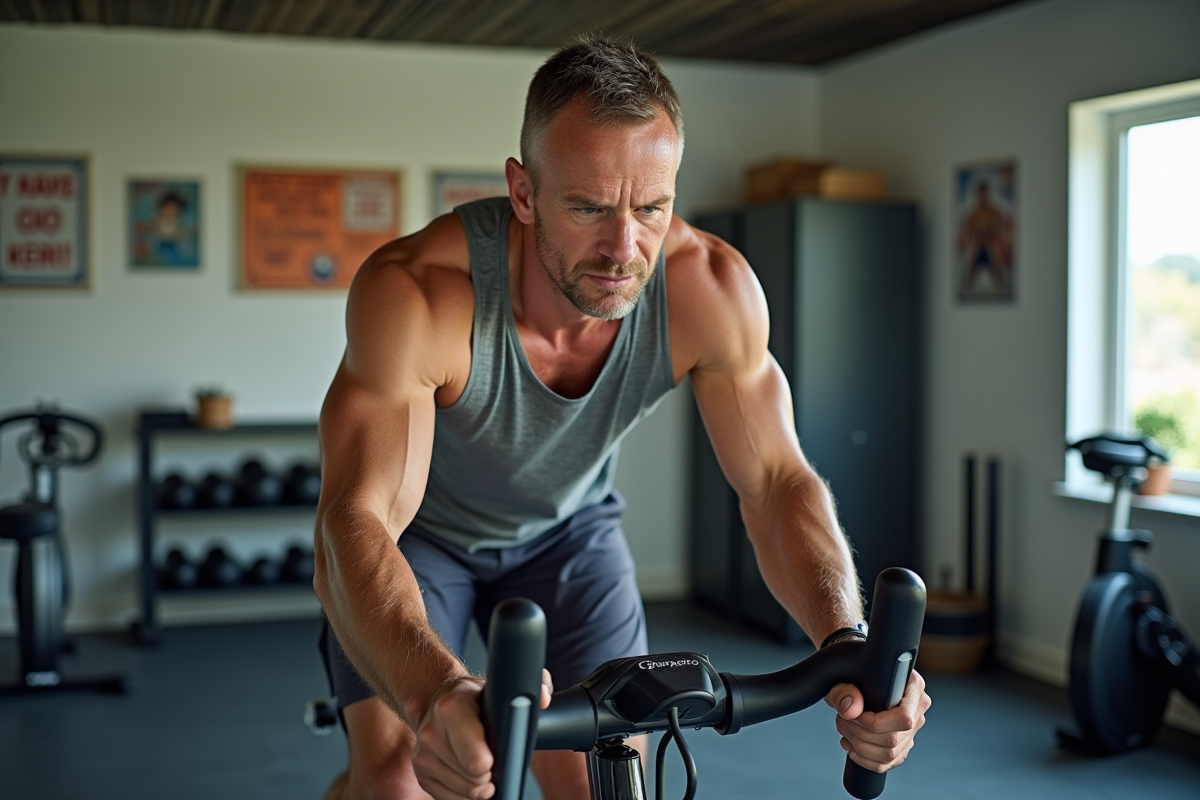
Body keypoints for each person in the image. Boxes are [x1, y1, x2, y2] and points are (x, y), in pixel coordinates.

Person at [313, 34, 931, 800]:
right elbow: (356, 521)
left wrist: (848, 639)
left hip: (571, 536)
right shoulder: (419, 294)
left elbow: (775, 483)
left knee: (606, 787)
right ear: (524, 193)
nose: (623, 247)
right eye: (587, 207)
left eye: (651, 207)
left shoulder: (709, 287)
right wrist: (432, 693)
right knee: (404, 780)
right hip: (423, 543)